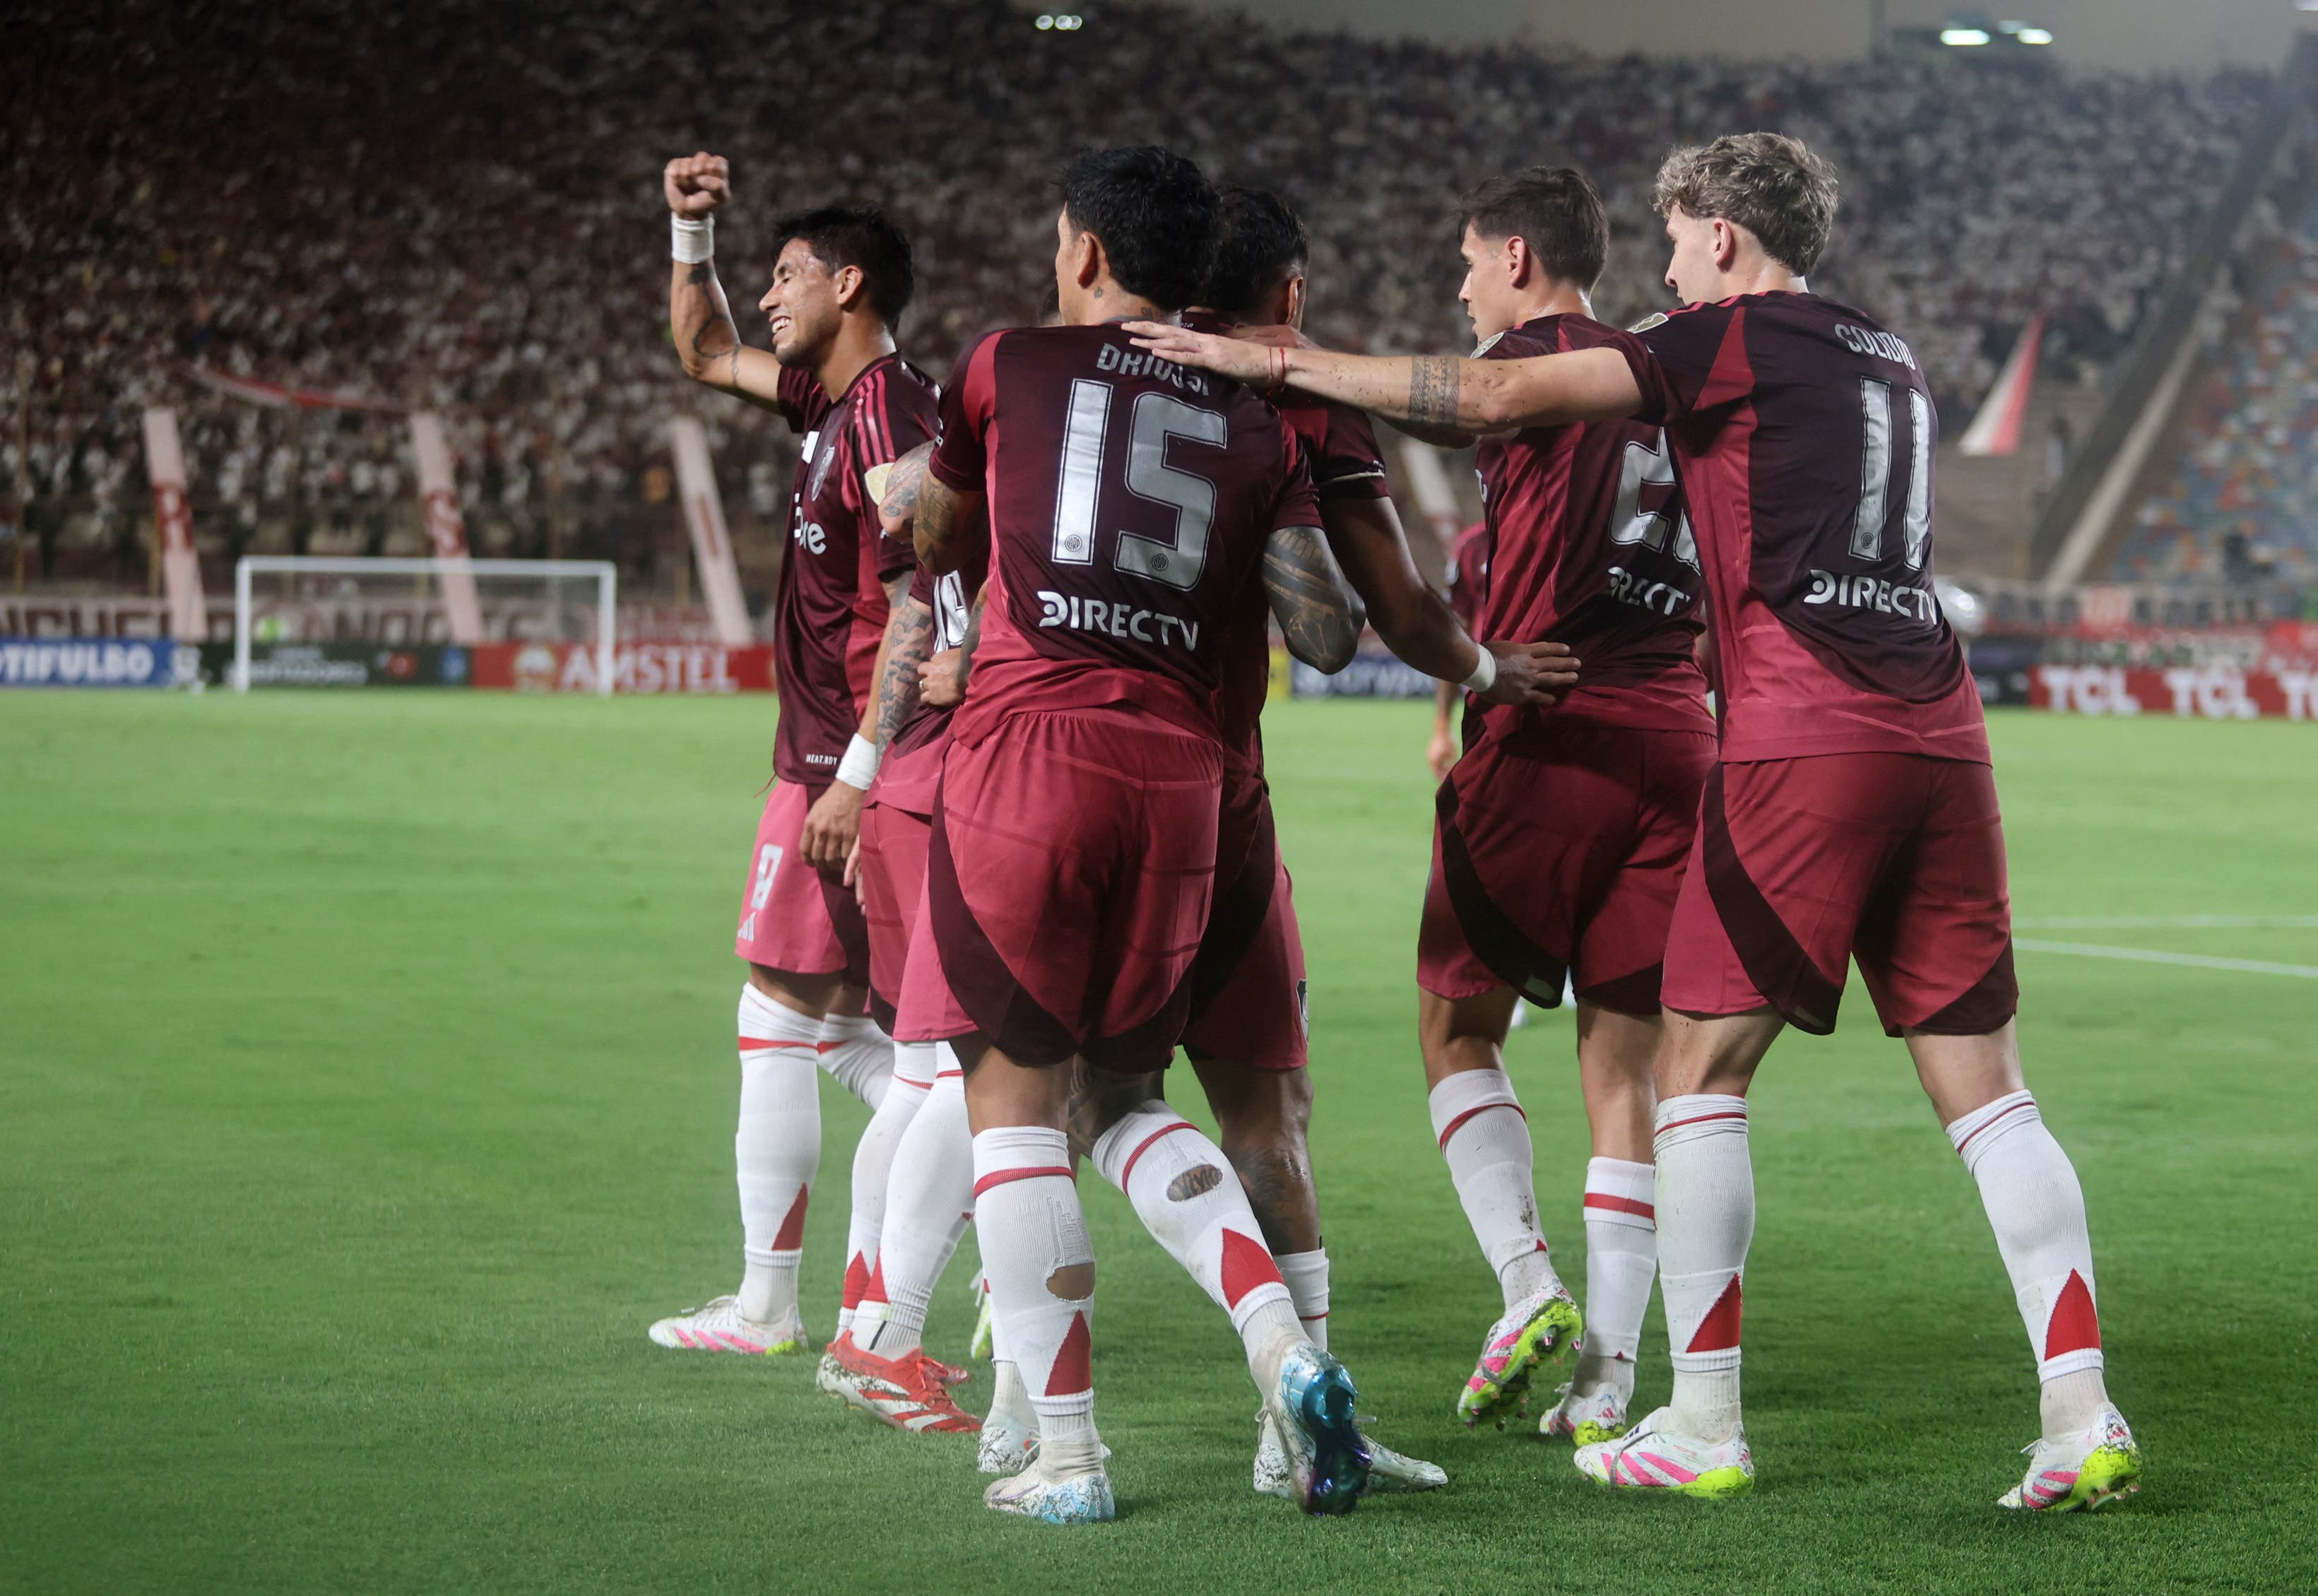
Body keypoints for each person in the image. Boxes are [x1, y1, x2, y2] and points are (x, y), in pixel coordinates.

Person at [1127, 131, 2139, 1513]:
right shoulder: (1889, 353)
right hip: (1942, 732)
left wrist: (1281, 364)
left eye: (1673, 245)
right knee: (1992, 1094)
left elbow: (1495, 393)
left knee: (1696, 1074)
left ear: (1723, 237)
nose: (1662, 276)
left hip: (1802, 733)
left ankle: (1703, 1417)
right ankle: (2080, 1410)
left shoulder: (1728, 336)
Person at [894, 146, 1371, 1525]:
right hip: (1184, 783)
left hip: (1029, 753)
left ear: (1088, 253)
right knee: (1120, 1096)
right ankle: (1286, 1350)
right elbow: (1326, 632)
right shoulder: (1257, 422)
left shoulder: (1005, 363)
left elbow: (936, 535)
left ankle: (1069, 1457)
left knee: (1013, 1111)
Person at [1116, 183, 1573, 1499]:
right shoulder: (1305, 408)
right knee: (1266, 1110)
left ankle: (1035, 1417)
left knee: (1045, 1099)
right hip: (1215, 786)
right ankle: (1293, 1408)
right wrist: (1484, 670)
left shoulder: (1064, 369)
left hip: (1037, 765)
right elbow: (1353, 625)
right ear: (1292, 295)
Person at [1359, 167, 1716, 1443]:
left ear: (1516, 257)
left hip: (1550, 725)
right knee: (1624, 1063)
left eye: (1468, 264)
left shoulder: (1535, 365)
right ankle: (1606, 1383)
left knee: (1454, 1027)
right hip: (1678, 737)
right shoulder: (1675, 380)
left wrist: (1284, 364)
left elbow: (1462, 403)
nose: (1461, 291)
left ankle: (1525, 1284)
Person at [646, 153, 941, 1363]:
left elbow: (923, 606)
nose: (767, 297)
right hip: (842, 760)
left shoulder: (895, 421)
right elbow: (704, 352)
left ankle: (773, 1307)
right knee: (868, 1036)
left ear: (848, 284)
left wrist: (857, 774)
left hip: (853, 765)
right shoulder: (833, 404)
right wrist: (690, 238)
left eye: (785, 275)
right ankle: (999, 1169)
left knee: (783, 1015)